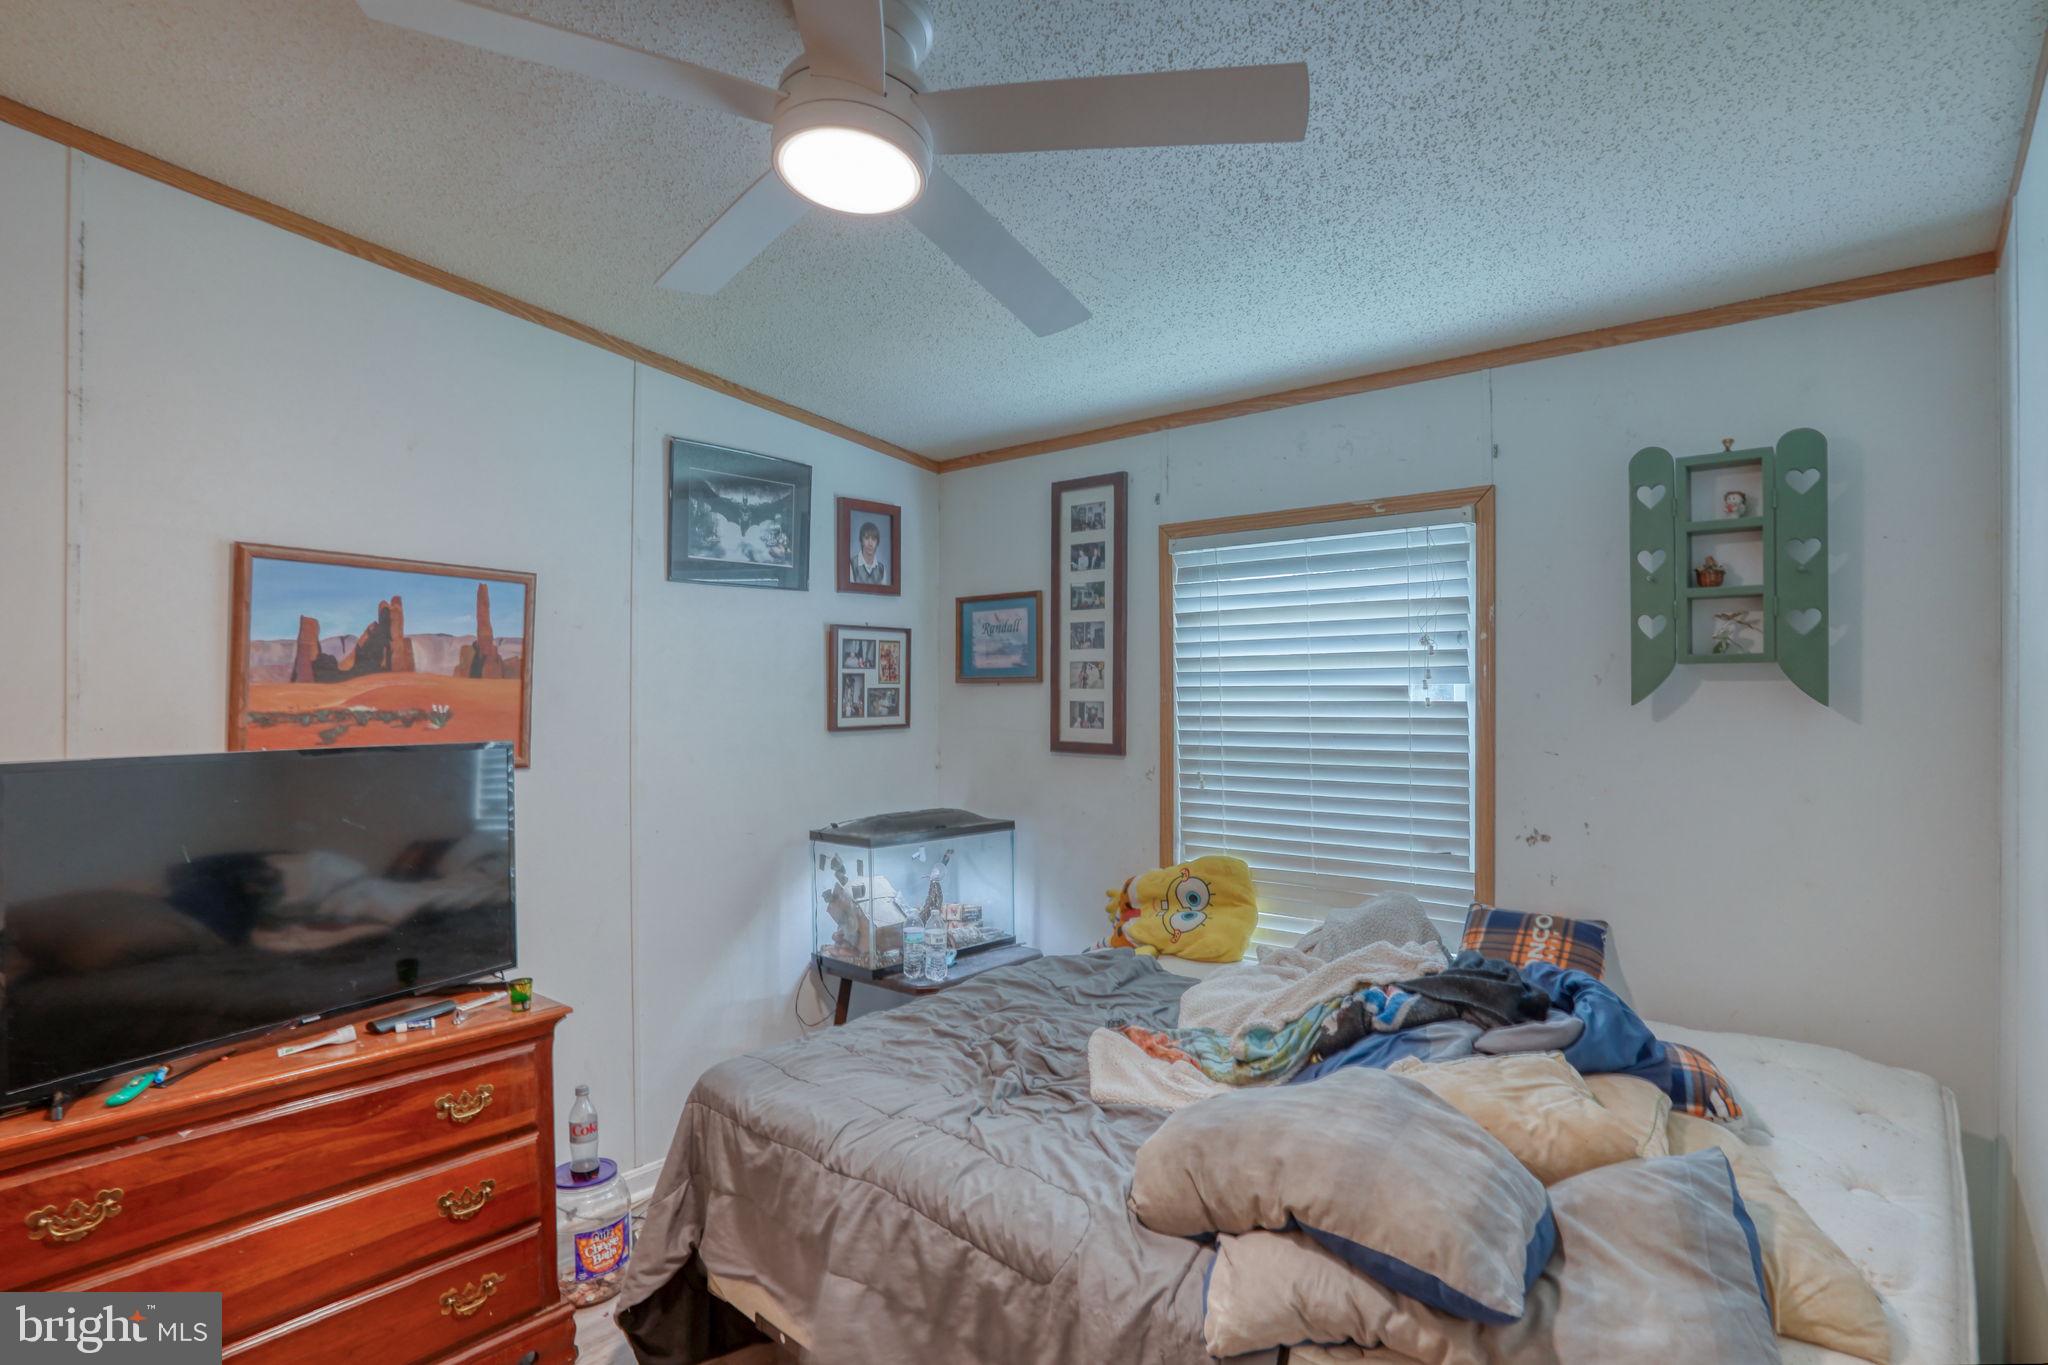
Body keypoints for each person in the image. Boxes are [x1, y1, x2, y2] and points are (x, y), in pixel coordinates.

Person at [849, 521, 888, 585]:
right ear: (861, 541)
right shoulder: (851, 565)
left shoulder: (882, 569)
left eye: (873, 539)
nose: (870, 543)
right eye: (866, 538)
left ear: (877, 542)